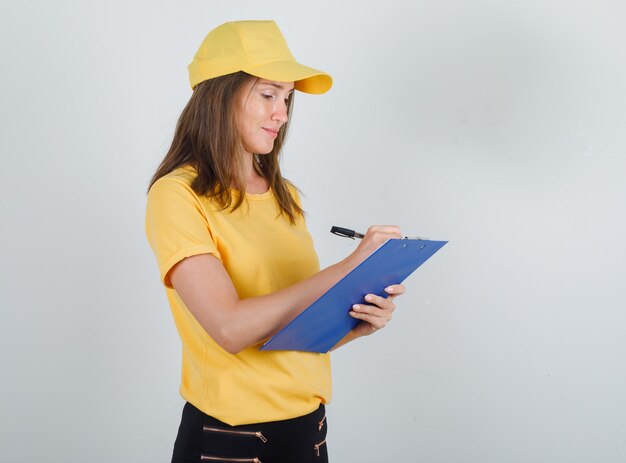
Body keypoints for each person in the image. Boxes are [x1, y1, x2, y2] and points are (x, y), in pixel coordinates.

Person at [145, 20, 406, 463]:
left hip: (309, 431)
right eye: (268, 94)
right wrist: (347, 268)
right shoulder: (177, 195)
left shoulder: (283, 195)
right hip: (232, 442)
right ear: (219, 96)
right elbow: (229, 329)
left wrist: (352, 325)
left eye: (286, 99)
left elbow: (286, 333)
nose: (282, 113)